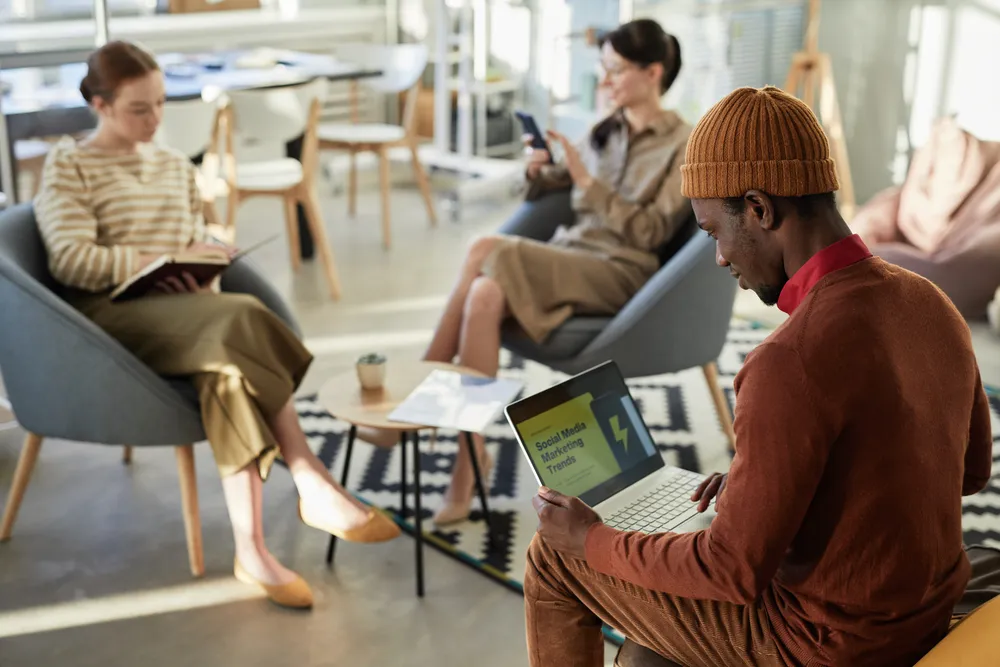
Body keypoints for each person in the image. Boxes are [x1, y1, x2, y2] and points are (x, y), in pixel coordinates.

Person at [524, 85, 994, 666]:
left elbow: (732, 573)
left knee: (554, 556)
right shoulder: (931, 302)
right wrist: (772, 486)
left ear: (760, 208)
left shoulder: (787, 360)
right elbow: (970, 472)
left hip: (826, 645)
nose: (720, 257)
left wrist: (589, 539)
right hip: (923, 609)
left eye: (714, 231)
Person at [33, 40, 400, 609]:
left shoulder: (175, 165)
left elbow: (192, 243)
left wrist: (199, 275)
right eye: (139, 109)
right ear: (99, 104)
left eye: (160, 104)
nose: (155, 119)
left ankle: (252, 551)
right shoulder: (70, 164)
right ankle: (307, 474)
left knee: (226, 373)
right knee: (242, 322)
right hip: (106, 323)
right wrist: (145, 263)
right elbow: (70, 260)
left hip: (182, 313)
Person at [362, 18, 694, 526]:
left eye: (615, 70)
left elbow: (650, 234)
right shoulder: (607, 128)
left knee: (483, 248)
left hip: (622, 273)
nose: (604, 81)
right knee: (484, 297)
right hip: (570, 257)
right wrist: (540, 170)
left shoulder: (683, 145)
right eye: (603, 70)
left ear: (653, 72)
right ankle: (467, 466)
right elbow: (556, 189)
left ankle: (416, 399)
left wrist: (585, 180)